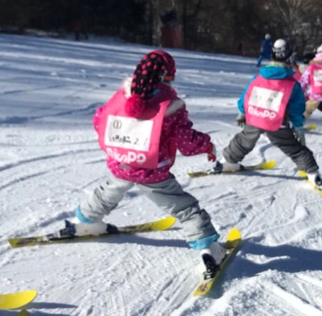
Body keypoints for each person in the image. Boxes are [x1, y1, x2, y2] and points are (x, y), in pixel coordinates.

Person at [72, 50, 226, 275]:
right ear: (168, 77)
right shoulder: (170, 105)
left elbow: (100, 121)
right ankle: (208, 247)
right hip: (152, 172)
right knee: (184, 207)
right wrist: (207, 146)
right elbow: (186, 141)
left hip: (121, 163)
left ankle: (86, 221)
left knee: (108, 192)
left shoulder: (121, 96)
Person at [219, 38, 322, 184]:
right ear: (290, 58)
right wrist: (298, 125)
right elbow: (296, 108)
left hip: (255, 116)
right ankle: (312, 172)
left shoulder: (259, 77)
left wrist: (242, 111)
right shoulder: (291, 84)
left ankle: (228, 161)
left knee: (244, 140)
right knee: (292, 147)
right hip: (276, 121)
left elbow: (246, 94)